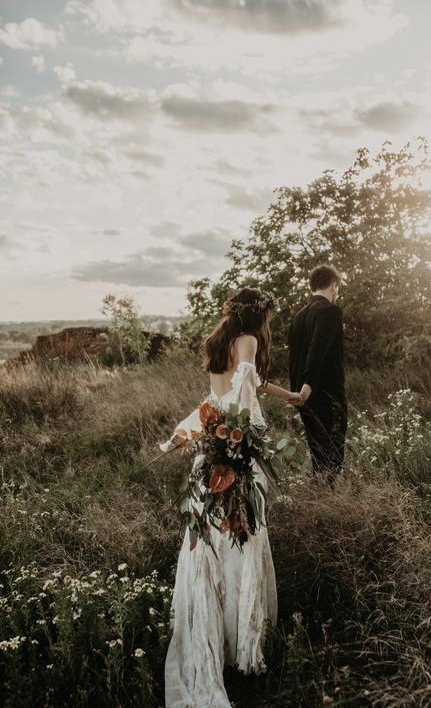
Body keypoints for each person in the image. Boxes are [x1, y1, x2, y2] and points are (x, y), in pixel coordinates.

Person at [162, 287, 302, 708]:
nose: (269, 327)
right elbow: (242, 396)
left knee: (211, 540)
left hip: (211, 451)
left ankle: (214, 634)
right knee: (241, 536)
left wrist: (289, 396)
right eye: (268, 318)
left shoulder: (221, 340)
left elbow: (238, 387)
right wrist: (243, 445)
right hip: (235, 453)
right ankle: (241, 644)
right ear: (258, 317)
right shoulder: (250, 340)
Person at [288, 264, 347, 486]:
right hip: (325, 393)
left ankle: (320, 494)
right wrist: (309, 384)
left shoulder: (299, 317)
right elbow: (318, 349)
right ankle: (328, 498)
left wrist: (296, 390)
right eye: (337, 288)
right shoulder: (331, 311)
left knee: (317, 450)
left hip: (302, 396)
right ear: (333, 285)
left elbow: (293, 358)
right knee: (333, 449)